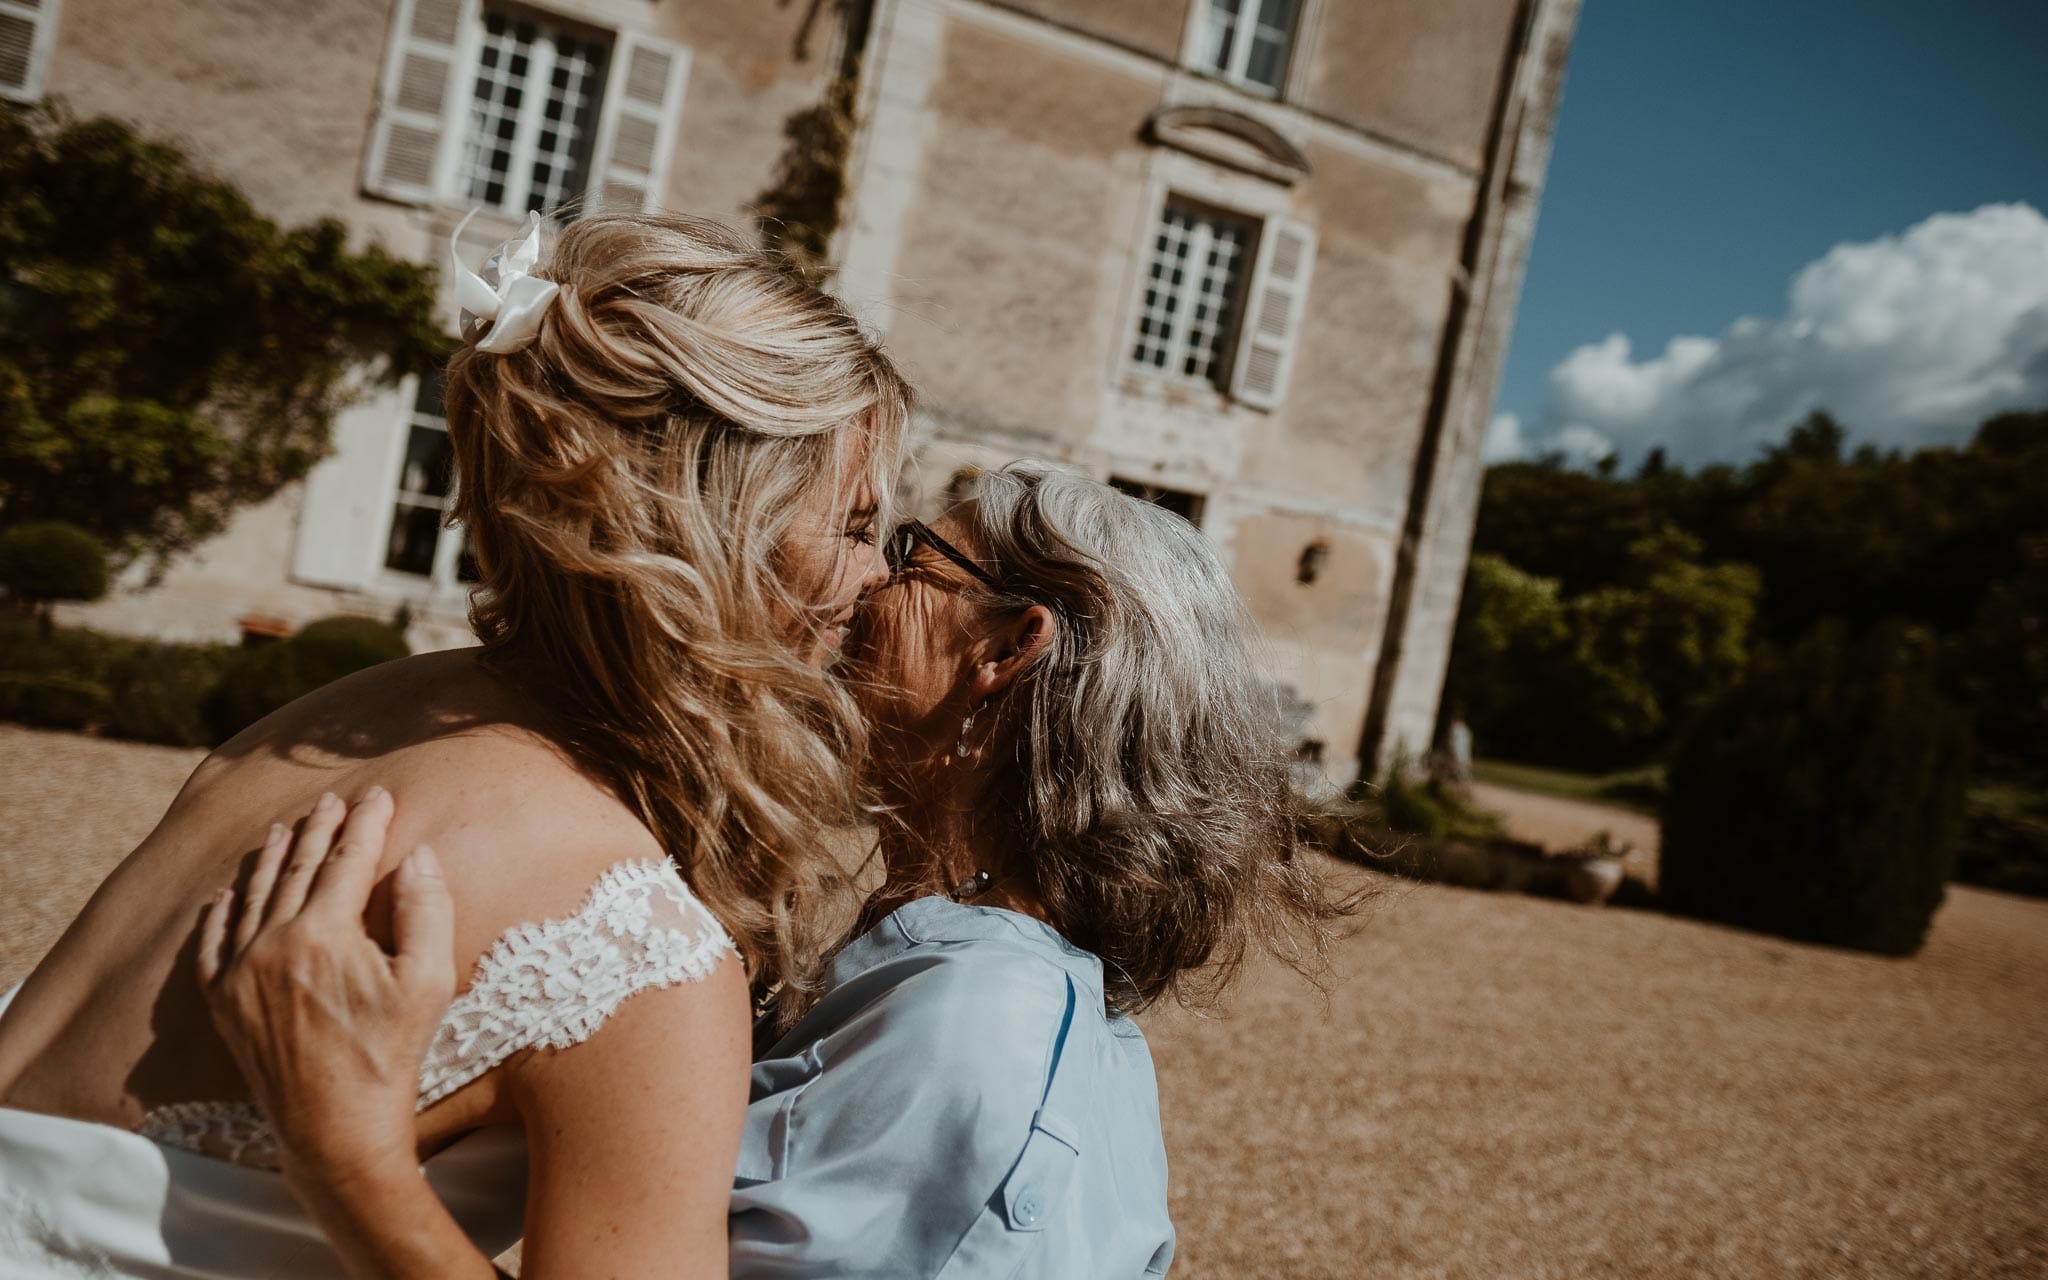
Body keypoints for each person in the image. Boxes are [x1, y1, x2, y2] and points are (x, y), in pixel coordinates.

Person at [0, 210, 912, 1278]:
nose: (877, 577)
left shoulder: (341, 715)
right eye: (852, 526)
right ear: (722, 522)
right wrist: (352, 1165)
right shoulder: (635, 951)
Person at [197, 464, 1360, 1278]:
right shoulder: (977, 975)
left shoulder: (976, 1025)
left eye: (910, 554)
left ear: (1008, 646)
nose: (862, 584)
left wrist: (346, 1154)